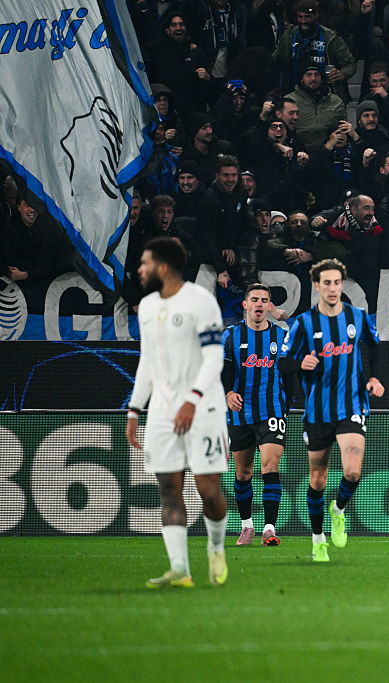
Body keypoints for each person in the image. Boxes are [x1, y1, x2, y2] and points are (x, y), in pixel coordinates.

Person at [125, 236, 229, 588]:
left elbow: (215, 357)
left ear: (163, 267)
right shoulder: (149, 306)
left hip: (205, 409)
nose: (140, 270)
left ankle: (216, 548)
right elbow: (147, 362)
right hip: (162, 413)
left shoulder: (200, 301)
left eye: (145, 263)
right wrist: (135, 409)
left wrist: (192, 399)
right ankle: (180, 569)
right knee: (169, 488)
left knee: (208, 492)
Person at [281, 259, 385, 562]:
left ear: (342, 284)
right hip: (317, 412)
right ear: (317, 286)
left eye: (336, 282)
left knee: (353, 470)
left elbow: (376, 347)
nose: (332, 288)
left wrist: (375, 378)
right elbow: (283, 360)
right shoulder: (303, 323)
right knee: (318, 479)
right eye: (326, 283)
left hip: (352, 404)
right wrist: (300, 363)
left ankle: (338, 510)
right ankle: (317, 539)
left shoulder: (357, 317)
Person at [221, 283, 293, 547]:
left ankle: (270, 529)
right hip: (240, 412)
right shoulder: (230, 336)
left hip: (271, 410)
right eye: (255, 299)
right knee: (243, 473)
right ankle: (247, 526)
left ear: (269, 306)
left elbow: (293, 365)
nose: (260, 304)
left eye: (265, 300)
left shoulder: (281, 336)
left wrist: (288, 404)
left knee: (270, 467)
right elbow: (223, 370)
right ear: (245, 305)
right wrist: (228, 392)